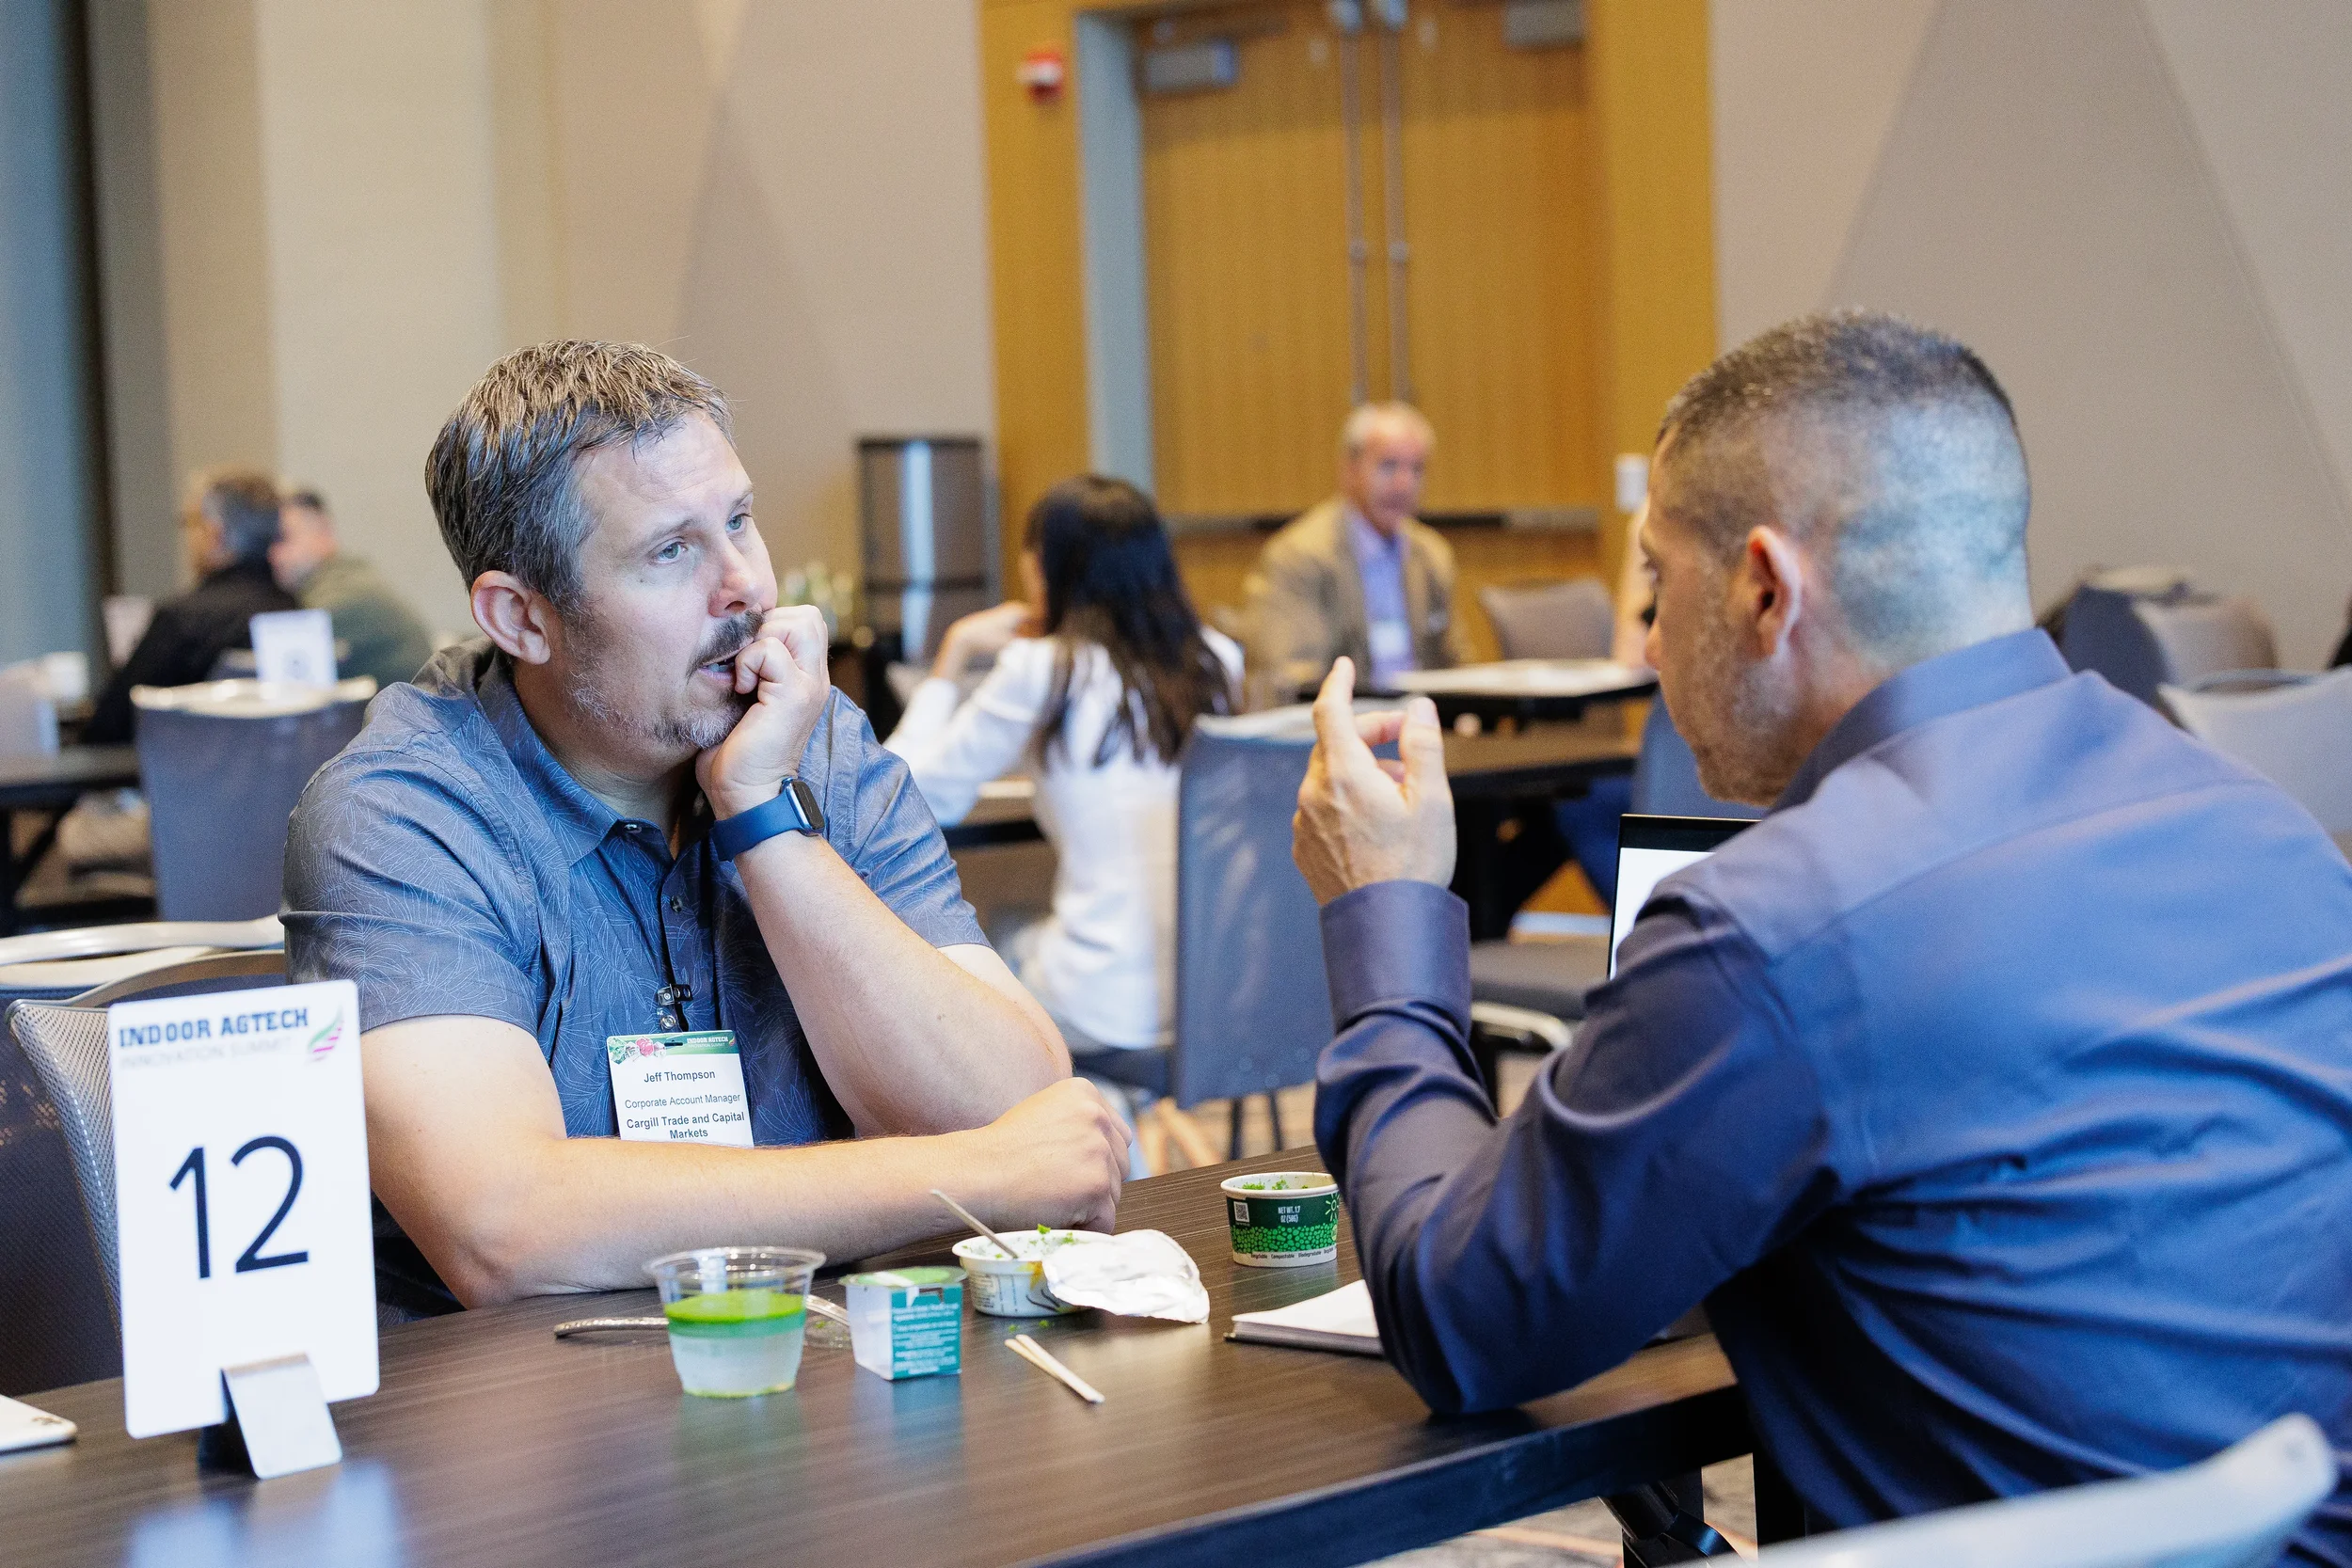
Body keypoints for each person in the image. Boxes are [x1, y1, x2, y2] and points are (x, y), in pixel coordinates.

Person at [1292, 312, 2352, 1560]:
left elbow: (1468, 1316)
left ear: (1763, 587)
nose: (1642, 642)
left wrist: (1388, 913)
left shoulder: (1776, 926)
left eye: (1655, 582)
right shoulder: (2271, 832)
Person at [284, 341, 1126, 1317]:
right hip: (535, 1423)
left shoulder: (809, 740)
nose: (747, 589)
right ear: (521, 618)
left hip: (817, 1387)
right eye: (671, 551)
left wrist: (764, 815)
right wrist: (966, 1178)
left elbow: (1011, 1104)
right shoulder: (403, 811)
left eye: (740, 521)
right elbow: (503, 1225)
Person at [884, 476, 1242, 1121]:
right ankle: (1116, 1129)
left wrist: (954, 653)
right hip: (1216, 997)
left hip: (1102, 1002)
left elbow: (898, 798)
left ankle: (1095, 1135)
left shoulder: (1044, 670)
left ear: (1048, 566)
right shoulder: (1219, 661)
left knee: (991, 944)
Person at [1244, 403, 1469, 706]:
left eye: (1416, 469)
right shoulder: (1298, 556)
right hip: (1342, 730)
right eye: (1389, 466)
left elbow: (1457, 665)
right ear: (1350, 470)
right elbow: (1294, 676)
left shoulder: (1431, 554)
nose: (1405, 484)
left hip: (1421, 723)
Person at [84, 467, 297, 743]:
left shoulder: (183, 620)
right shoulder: (296, 613)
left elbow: (110, 726)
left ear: (214, 534)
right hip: (289, 783)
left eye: (190, 522)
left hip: (193, 782)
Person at [271, 485, 437, 689]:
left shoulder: (342, 595)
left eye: (283, 538)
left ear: (324, 532)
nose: (272, 553)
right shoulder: (344, 578)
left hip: (412, 717)